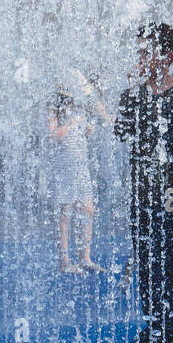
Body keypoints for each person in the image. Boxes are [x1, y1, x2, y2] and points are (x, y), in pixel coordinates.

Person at [113, 23, 173, 343]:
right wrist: (128, 92)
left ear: (166, 56)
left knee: (167, 261)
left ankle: (166, 334)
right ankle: (152, 327)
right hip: (142, 189)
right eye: (137, 51)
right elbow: (121, 132)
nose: (139, 57)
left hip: (171, 191)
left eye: (144, 51)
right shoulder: (135, 95)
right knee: (146, 261)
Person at [47, 85, 103, 273]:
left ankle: (84, 258)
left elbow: (83, 137)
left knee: (88, 209)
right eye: (68, 100)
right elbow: (53, 136)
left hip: (81, 168)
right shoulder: (54, 116)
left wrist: (87, 130)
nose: (71, 103)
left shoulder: (78, 114)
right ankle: (64, 260)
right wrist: (71, 124)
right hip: (64, 170)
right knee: (65, 214)